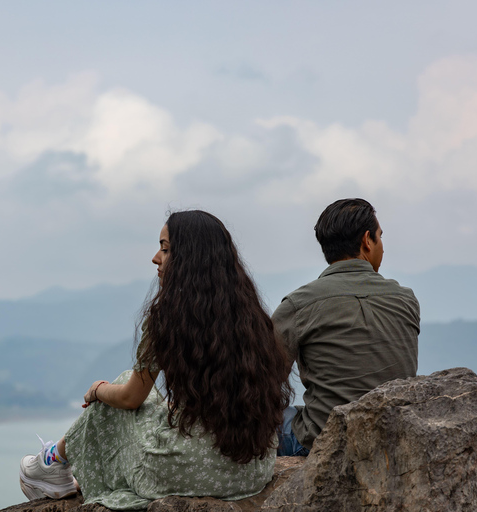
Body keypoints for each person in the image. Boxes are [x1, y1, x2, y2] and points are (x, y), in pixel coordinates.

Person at [19, 210, 293, 510]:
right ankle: (53, 462)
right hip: (251, 472)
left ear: (190, 258)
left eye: (165, 249)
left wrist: (97, 390)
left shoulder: (167, 318)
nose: (155, 258)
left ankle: (52, 462)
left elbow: (129, 399)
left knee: (122, 386)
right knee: (153, 401)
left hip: (192, 472)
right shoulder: (252, 317)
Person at [273, 198, 420, 456]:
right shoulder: (405, 298)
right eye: (380, 237)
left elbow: (263, 379)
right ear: (367, 240)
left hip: (322, 444)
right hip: (395, 440)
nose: (382, 247)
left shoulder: (299, 304)